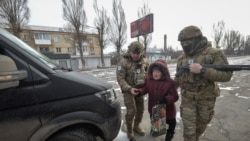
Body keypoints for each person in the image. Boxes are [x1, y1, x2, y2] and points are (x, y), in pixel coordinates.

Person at [174, 25, 233, 141]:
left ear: (197, 40)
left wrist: (203, 71)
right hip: (187, 101)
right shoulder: (182, 58)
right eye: (182, 44)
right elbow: (178, 78)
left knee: (200, 128)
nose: (184, 46)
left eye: (187, 43)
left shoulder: (214, 54)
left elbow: (227, 75)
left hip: (206, 100)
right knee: (189, 133)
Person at [134, 59, 179, 141]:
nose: (155, 74)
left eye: (158, 72)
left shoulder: (169, 82)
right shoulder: (149, 80)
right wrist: (139, 91)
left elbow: (175, 96)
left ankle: (169, 135)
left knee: (171, 124)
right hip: (154, 108)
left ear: (163, 72)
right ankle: (154, 130)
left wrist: (166, 99)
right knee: (155, 123)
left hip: (168, 110)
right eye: (154, 71)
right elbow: (145, 88)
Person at [116, 41, 149, 141]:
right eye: (134, 53)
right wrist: (129, 89)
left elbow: (148, 73)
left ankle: (136, 126)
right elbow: (120, 78)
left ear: (141, 53)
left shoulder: (144, 61)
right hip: (128, 90)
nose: (135, 55)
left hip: (140, 90)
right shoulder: (123, 62)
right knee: (132, 111)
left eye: (138, 53)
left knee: (140, 110)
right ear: (130, 52)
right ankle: (130, 130)